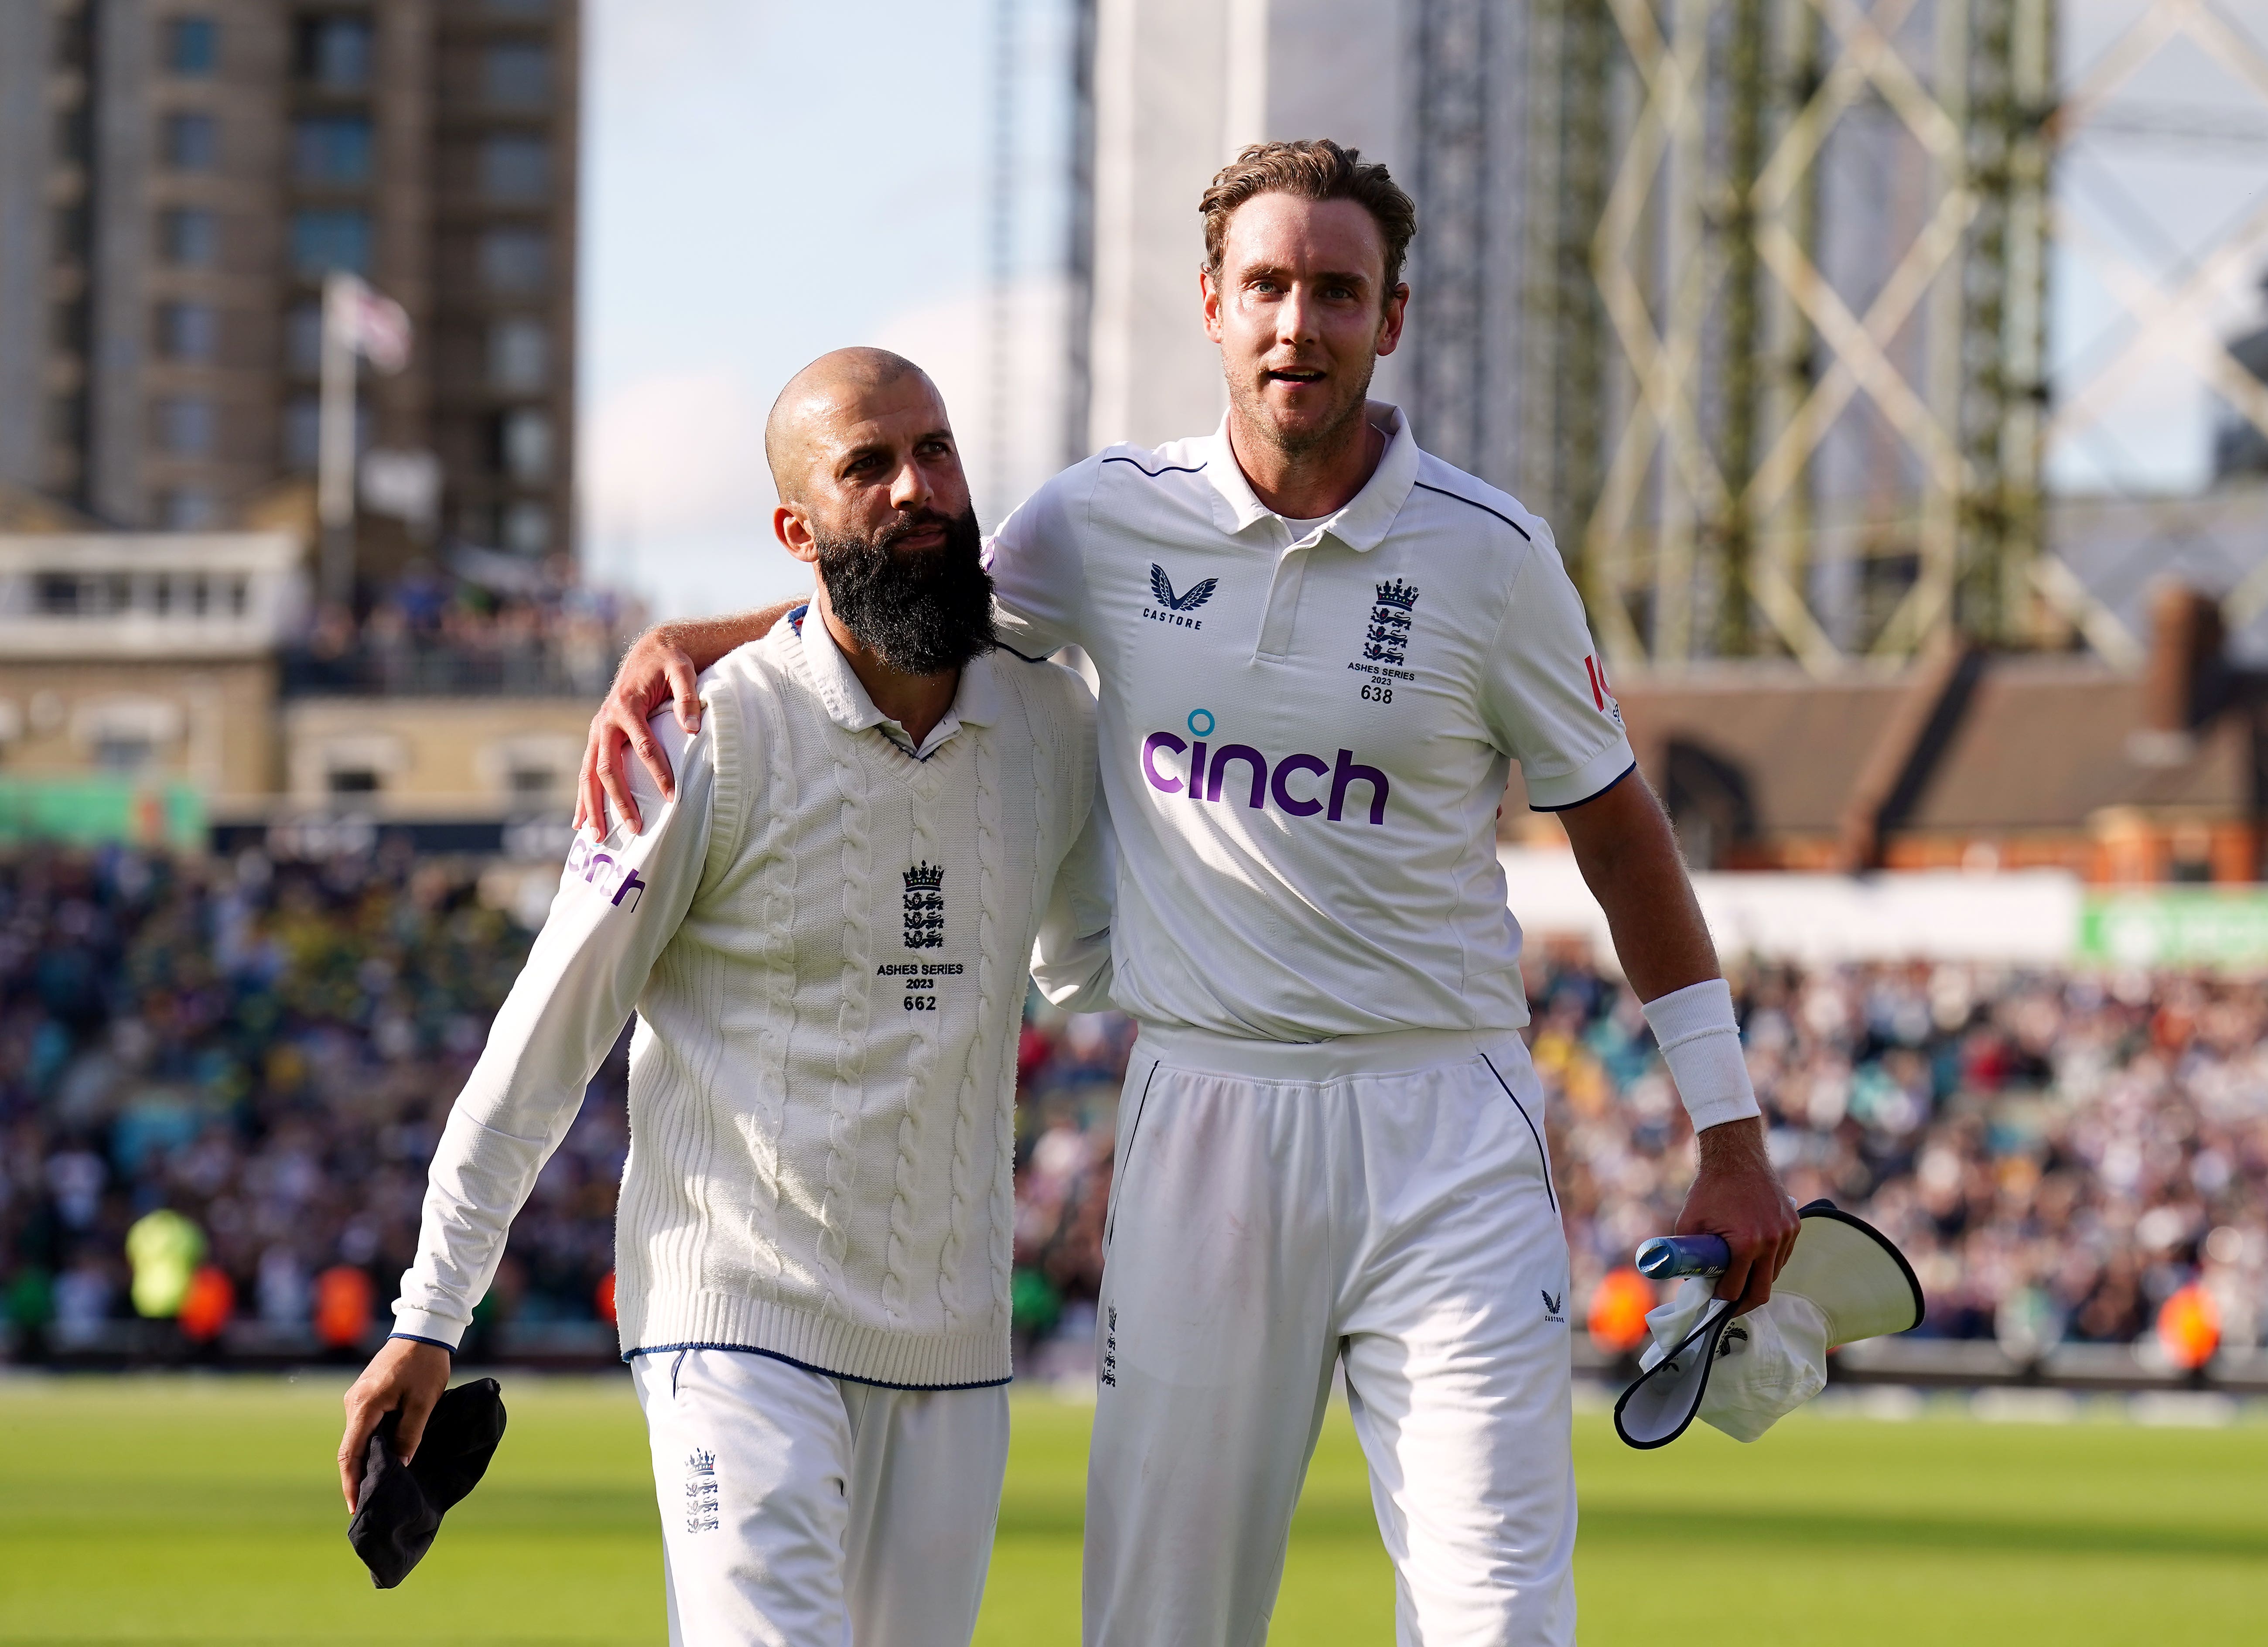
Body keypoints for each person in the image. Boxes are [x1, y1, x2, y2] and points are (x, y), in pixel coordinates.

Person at [574, 142, 1797, 1647]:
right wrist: (709, 633)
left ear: (1391, 319)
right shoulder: (1101, 523)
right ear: (1212, 305)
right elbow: (910, 594)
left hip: (1448, 1133)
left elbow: (1621, 838)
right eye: (1270, 287)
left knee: (1500, 1621)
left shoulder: (1496, 558)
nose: (1301, 324)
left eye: (1338, 292)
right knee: (1166, 1624)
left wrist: (1731, 1136)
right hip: (1205, 1120)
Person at [341, 349, 1114, 1645]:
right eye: (866, 467)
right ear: (794, 530)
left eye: (935, 451)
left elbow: (1090, 958)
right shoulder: (691, 734)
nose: (917, 487)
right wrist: (428, 1313)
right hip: (735, 1327)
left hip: (958, 1346)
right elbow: (542, 1046)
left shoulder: (1053, 727)